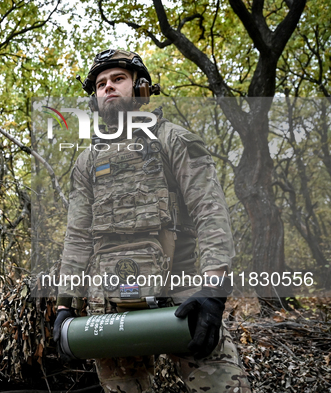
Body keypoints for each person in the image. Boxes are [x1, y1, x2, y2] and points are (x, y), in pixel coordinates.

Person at [53, 49, 251, 393]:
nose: (108, 88)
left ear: (141, 87)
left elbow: (210, 211)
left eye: (118, 79)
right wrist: (64, 304)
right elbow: (78, 237)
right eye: (101, 84)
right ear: (94, 100)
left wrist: (214, 291)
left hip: (183, 295)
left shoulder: (174, 139)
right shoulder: (86, 162)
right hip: (109, 304)